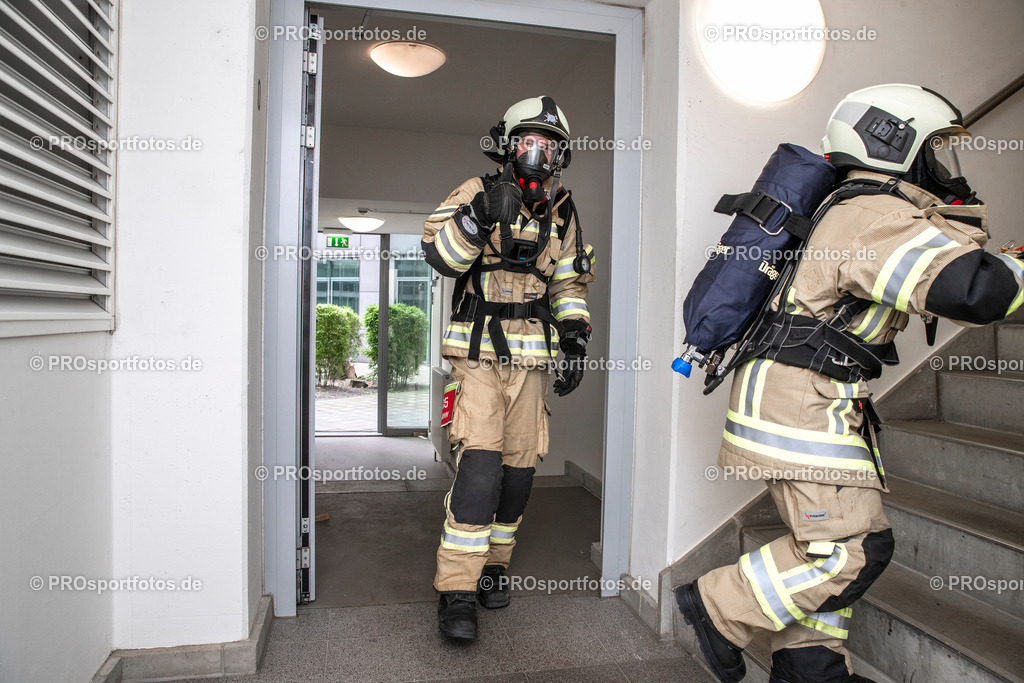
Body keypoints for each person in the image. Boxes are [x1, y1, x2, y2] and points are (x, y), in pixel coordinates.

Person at [676, 84, 1024, 683]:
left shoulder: (854, 208)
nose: (944, 169)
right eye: (935, 151)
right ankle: (716, 607)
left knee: (821, 547)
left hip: (798, 399)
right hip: (801, 405)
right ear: (895, 143)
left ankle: (810, 668)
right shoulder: (874, 216)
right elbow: (974, 289)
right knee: (851, 551)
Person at [421, 96, 596, 640]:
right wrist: (478, 217)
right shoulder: (475, 191)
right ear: (508, 145)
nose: (536, 154)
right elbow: (442, 258)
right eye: (527, 142)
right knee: (479, 469)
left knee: (520, 474)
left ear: (559, 154)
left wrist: (575, 337)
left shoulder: (564, 211)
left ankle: (494, 569)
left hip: (533, 359)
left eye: (547, 145)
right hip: (475, 356)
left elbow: (567, 282)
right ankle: (456, 590)